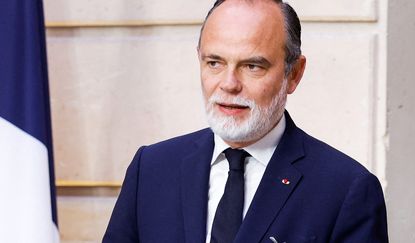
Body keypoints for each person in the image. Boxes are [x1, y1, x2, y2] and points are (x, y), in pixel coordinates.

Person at [103, 0, 388, 242]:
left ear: (294, 74)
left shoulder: (346, 190)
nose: (228, 84)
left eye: (252, 66)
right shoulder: (151, 169)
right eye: (214, 63)